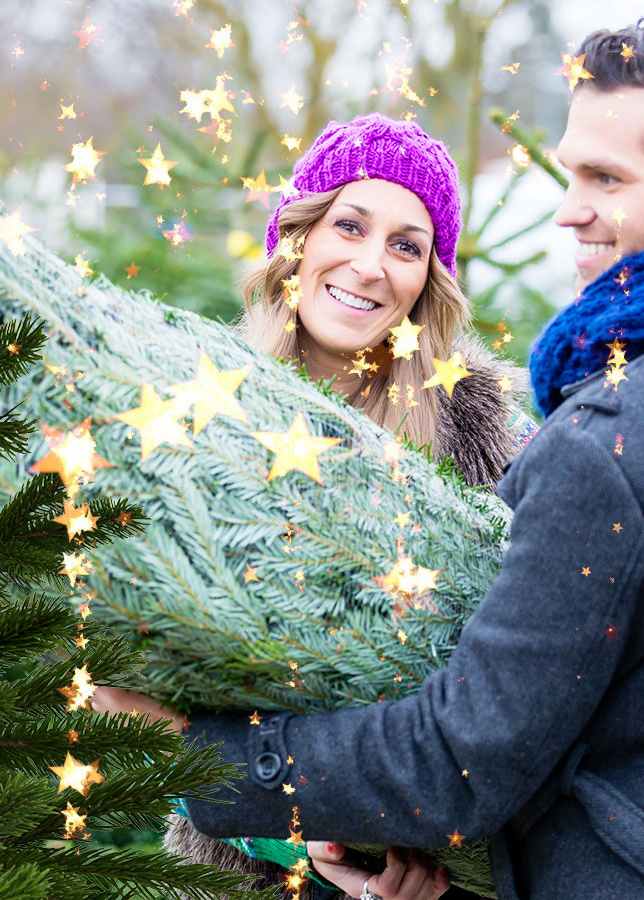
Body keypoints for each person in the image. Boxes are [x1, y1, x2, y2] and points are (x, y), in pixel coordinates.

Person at [99, 12, 644, 899]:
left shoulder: (602, 447)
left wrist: (202, 758)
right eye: (571, 170)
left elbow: (463, 758)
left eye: (606, 177)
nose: (567, 207)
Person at [160, 113, 535, 899]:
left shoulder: (493, 437)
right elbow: (137, 700)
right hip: (247, 871)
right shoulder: (203, 415)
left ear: (429, 279)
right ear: (298, 235)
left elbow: (526, 680)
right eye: (350, 225)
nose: (369, 267)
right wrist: (298, 842)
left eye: (406, 246)